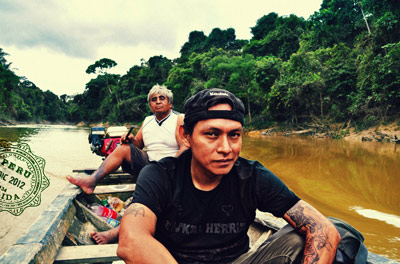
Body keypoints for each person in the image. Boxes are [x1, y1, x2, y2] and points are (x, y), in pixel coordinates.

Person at [117, 88, 341, 264]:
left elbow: (324, 229)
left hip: (238, 261)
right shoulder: (160, 175)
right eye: (211, 134)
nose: (226, 148)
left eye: (234, 135)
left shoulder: (252, 176)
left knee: (313, 235)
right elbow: (131, 241)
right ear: (185, 136)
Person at [66, 84, 187, 244]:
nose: (158, 102)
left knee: (150, 199)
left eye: (162, 98)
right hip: (149, 166)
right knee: (124, 148)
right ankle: (92, 180)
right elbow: (138, 144)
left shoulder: (179, 119)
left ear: (170, 103)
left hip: (172, 168)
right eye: (154, 99)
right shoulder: (148, 120)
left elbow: (186, 148)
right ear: (150, 105)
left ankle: (118, 231)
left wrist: (165, 168)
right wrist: (130, 139)